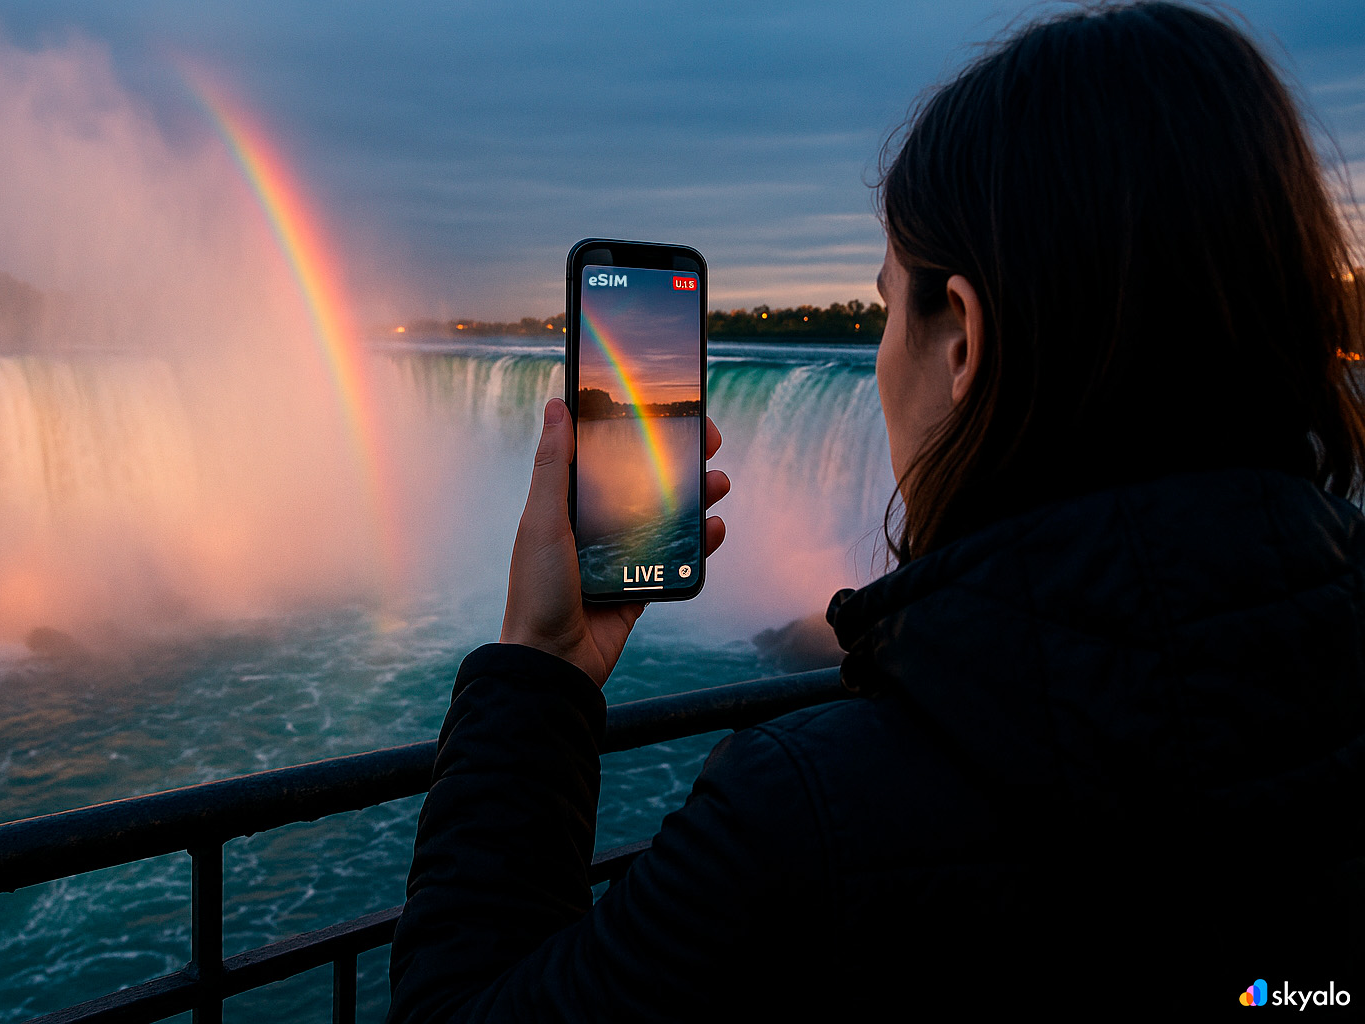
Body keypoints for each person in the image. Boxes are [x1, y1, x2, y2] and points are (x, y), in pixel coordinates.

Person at [388, 2, 1365, 1018]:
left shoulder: (807, 826)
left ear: (961, 343)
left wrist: (539, 671)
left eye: (891, 305)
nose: (886, 346)